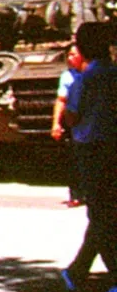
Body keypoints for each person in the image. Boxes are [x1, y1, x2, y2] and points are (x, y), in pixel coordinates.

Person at [59, 22, 117, 292]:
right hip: (112, 146)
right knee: (107, 212)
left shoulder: (85, 79)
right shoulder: (114, 74)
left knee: (100, 213)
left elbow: (71, 116)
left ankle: (106, 274)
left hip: (92, 149)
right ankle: (77, 270)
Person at [52, 47, 89, 206]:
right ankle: (76, 195)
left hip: (94, 121)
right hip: (75, 123)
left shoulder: (94, 74)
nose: (70, 57)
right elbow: (61, 100)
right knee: (75, 160)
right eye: (69, 55)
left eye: (74, 54)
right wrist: (56, 123)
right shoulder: (67, 76)